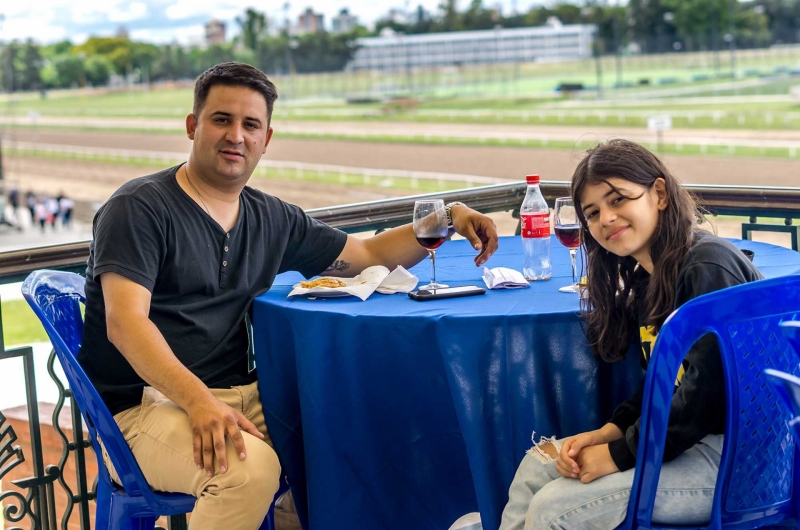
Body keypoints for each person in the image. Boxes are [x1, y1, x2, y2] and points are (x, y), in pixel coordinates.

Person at [78, 62, 498, 530]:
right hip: (144, 409)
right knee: (246, 474)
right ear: (193, 126)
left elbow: (365, 254)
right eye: (222, 120)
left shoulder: (270, 217)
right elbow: (126, 322)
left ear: (266, 139)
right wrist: (199, 403)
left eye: (250, 124)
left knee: (359, 423)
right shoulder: (138, 208)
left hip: (240, 393)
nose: (236, 135)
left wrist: (445, 217)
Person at [496, 139, 762, 529]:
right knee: (537, 467)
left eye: (618, 199)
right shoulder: (649, 279)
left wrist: (620, 453)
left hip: (740, 459)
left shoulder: (707, 266)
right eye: (593, 211)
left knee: (554, 509)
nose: (606, 217)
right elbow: (666, 381)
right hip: (686, 444)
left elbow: (710, 394)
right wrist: (611, 430)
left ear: (658, 194)